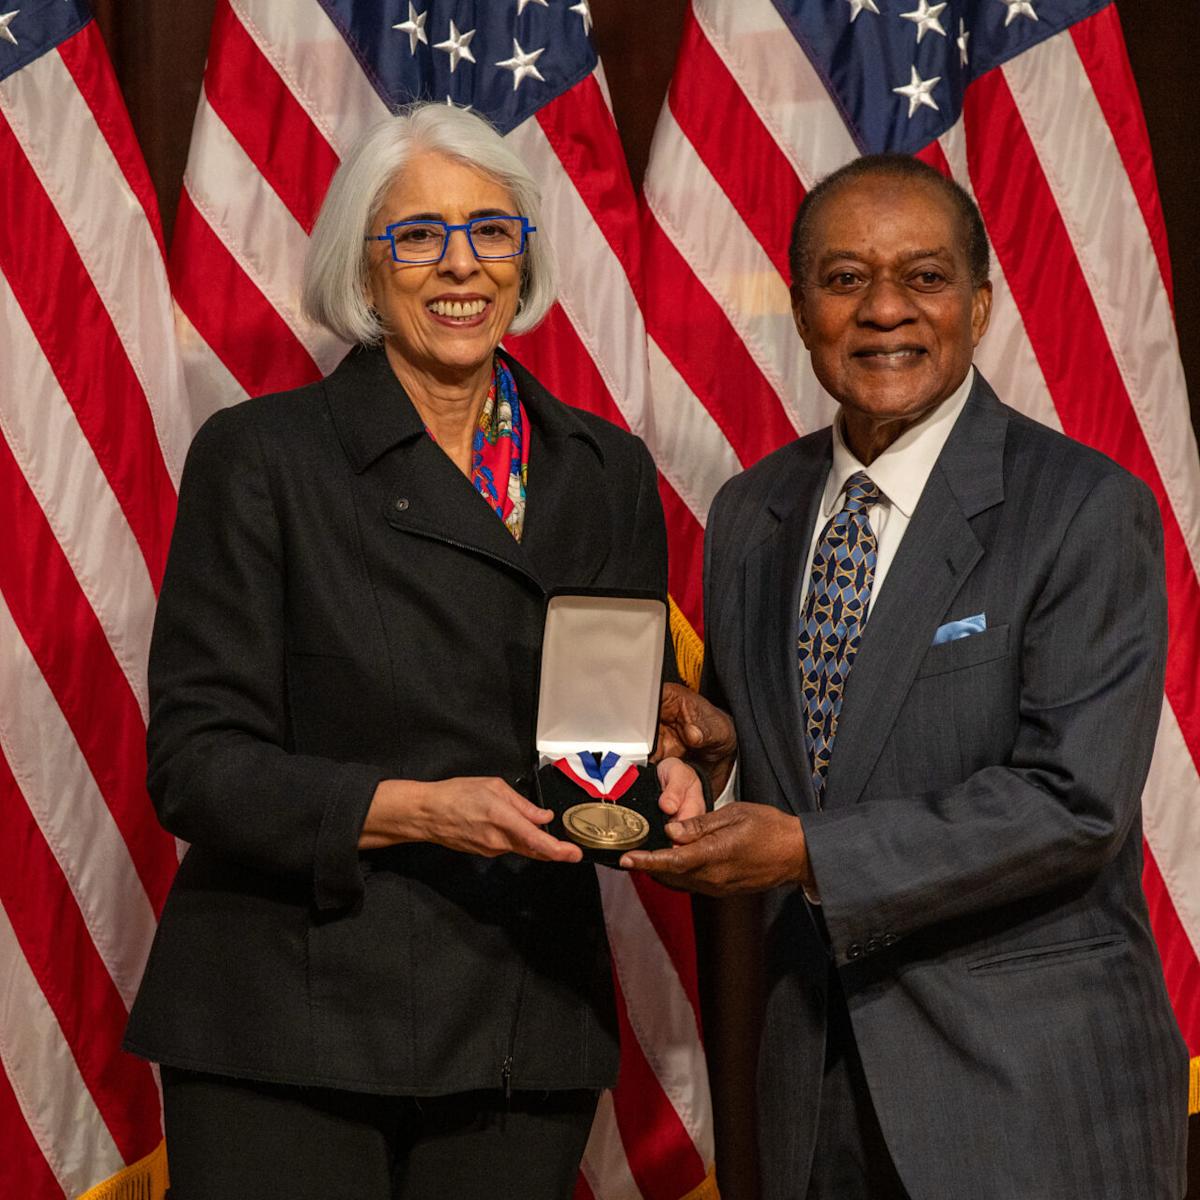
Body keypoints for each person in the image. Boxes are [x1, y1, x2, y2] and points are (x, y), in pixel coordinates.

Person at [123, 102, 703, 1200]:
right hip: (290, 1020)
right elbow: (197, 765)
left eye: (491, 232)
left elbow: (618, 718)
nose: (461, 265)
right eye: (420, 235)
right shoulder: (261, 458)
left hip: (522, 1019)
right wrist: (420, 809)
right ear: (363, 265)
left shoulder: (605, 471)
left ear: (524, 259)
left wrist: (666, 774)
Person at [627, 155, 1190, 1199]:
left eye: (924, 277)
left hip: (1020, 1092)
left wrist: (804, 852)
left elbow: (1073, 803)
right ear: (801, 309)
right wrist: (726, 754)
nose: (884, 308)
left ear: (979, 305)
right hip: (810, 1090)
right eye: (845, 279)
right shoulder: (753, 513)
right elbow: (826, 752)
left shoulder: (1082, 508)